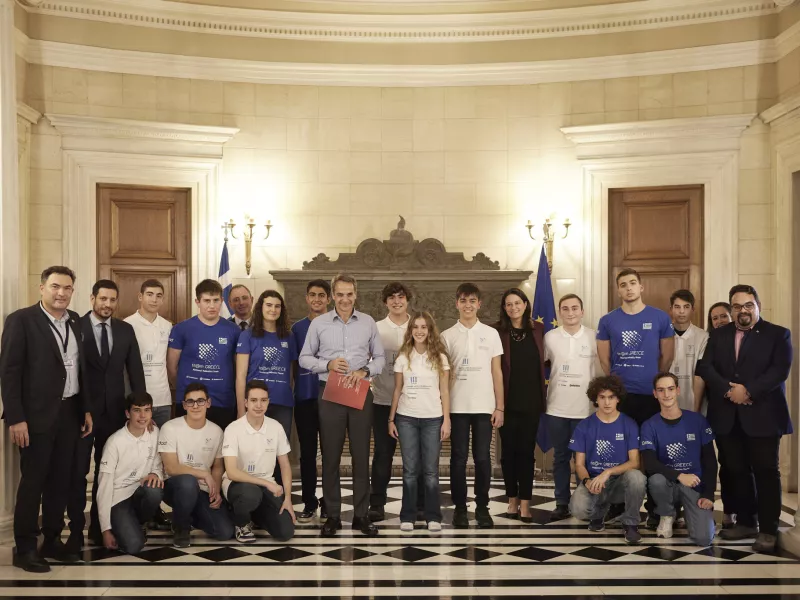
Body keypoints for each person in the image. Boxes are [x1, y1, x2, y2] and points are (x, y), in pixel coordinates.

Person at [0, 266, 93, 572]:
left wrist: (85, 409)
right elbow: (9, 373)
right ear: (42, 288)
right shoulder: (21, 320)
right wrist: (16, 418)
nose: (61, 293)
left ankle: (51, 540)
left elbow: (79, 369)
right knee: (33, 482)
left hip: (70, 412)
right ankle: (26, 548)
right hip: (34, 417)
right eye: (55, 286)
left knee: (60, 481)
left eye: (67, 288)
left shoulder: (76, 320)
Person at [696, 284, 793, 553]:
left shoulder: (778, 334)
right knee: (736, 470)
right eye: (737, 306)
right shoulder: (719, 334)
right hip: (727, 416)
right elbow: (705, 367)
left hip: (764, 416)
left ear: (757, 305)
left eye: (748, 305)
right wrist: (729, 390)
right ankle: (747, 522)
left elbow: (779, 371)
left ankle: (769, 529)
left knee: (766, 472)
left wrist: (747, 391)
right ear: (732, 308)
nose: (743, 310)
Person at [299, 272, 385, 537]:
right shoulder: (319, 324)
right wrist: (327, 364)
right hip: (331, 392)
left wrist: (365, 371)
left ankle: (360, 515)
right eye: (340, 294)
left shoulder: (368, 322)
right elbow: (304, 358)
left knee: (361, 455)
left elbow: (380, 358)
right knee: (331, 456)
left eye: (349, 294)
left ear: (355, 294)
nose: (345, 299)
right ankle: (333, 515)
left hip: (360, 391)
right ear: (333, 296)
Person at [71, 279, 147, 549]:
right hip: (81, 412)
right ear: (92, 298)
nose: (108, 304)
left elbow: (135, 371)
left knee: (109, 472)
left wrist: (141, 410)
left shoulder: (125, 330)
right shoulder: (75, 326)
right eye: (103, 299)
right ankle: (76, 530)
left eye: (112, 300)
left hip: (115, 413)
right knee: (78, 472)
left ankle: (99, 526)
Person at [597, 268, 673, 528]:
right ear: (618, 290)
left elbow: (667, 357)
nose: (628, 288)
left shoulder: (659, 317)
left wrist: (655, 384)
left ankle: (654, 509)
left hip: (651, 397)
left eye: (632, 283)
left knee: (651, 453)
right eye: (623, 284)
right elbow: (605, 360)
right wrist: (617, 387)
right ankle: (618, 505)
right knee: (620, 452)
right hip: (622, 398)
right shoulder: (608, 320)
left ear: (641, 287)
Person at [441, 283, 504, 529]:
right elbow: (443, 377)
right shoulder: (447, 336)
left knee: (482, 458)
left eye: (472, 301)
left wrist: (499, 407)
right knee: (458, 459)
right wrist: (444, 412)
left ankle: (482, 507)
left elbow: (497, 372)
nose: (468, 305)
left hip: (484, 406)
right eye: (463, 300)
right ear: (456, 303)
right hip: (457, 406)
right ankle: (459, 508)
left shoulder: (491, 334)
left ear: (479, 304)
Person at [388, 311, 451, 533]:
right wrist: (391, 419)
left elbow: (445, 391)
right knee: (410, 470)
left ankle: (433, 516)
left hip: (433, 419)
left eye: (424, 327)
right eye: (415, 327)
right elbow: (397, 389)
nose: (420, 331)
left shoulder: (440, 358)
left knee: (431, 471)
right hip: (406, 418)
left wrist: (446, 420)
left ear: (430, 330)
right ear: (410, 330)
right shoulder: (403, 357)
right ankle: (408, 516)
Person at [640, 372, 716, 547]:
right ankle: (667, 515)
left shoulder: (697, 421)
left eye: (670, 389)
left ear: (678, 391)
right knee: (656, 479)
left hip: (694, 485)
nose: (666, 394)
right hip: (667, 485)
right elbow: (650, 464)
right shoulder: (649, 425)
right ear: (655, 394)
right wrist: (680, 475)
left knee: (704, 538)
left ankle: (690, 514)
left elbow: (710, 461)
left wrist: (709, 495)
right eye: (661, 390)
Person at [568, 375, 645, 544]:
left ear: (618, 399)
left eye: (611, 397)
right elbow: (579, 464)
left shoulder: (629, 424)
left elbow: (635, 462)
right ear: (595, 399)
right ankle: (599, 513)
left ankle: (631, 523)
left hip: (620, 482)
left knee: (637, 478)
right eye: (602, 397)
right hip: (596, 481)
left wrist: (608, 472)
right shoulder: (584, 426)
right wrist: (587, 481)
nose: (607, 402)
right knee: (578, 510)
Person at [370, 282, 422, 523]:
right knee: (383, 455)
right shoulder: (375, 328)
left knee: (416, 457)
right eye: (391, 297)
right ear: (385, 302)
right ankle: (377, 504)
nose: (397, 301)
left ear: (407, 300)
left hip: (414, 402)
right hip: (382, 402)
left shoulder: (418, 326)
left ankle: (418, 505)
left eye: (401, 297)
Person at [159, 382, 234, 548]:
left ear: (208, 403)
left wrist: (215, 490)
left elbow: (218, 466)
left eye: (200, 401)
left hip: (202, 490)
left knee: (224, 532)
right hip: (175, 487)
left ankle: (187, 514)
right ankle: (181, 528)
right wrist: (204, 474)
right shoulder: (170, 428)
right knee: (188, 481)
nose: (195, 406)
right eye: (190, 402)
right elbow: (171, 468)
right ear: (184, 405)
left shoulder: (217, 431)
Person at [544, 293, 597, 521]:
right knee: (560, 457)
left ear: (582, 311)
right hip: (557, 407)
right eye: (565, 309)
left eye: (575, 308)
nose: (570, 312)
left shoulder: (594, 336)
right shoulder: (550, 337)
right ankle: (561, 503)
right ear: (559, 312)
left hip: (586, 409)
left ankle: (584, 503)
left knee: (584, 459)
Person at [222, 380, 296, 543]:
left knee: (285, 532)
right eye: (254, 400)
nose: (259, 405)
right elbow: (232, 472)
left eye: (263, 400)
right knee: (251, 494)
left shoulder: (276, 427)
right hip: (238, 485)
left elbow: (285, 466)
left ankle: (254, 515)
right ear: (246, 403)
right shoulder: (233, 429)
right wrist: (267, 483)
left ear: (268, 402)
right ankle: (240, 522)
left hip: (265, 487)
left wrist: (288, 499)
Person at [494, 288, 545, 523]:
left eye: (517, 303)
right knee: (508, 455)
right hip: (506, 402)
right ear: (504, 308)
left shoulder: (539, 330)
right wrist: (498, 405)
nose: (513, 307)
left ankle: (525, 503)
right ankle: (512, 500)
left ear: (525, 304)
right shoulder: (497, 331)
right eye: (508, 304)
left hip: (531, 402)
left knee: (526, 453)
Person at [96, 392, 164, 556]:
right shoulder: (114, 442)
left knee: (154, 490)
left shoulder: (155, 433)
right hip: (118, 499)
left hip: (139, 490)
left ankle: (138, 522)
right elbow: (104, 487)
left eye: (147, 410)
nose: (142, 416)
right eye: (137, 410)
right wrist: (105, 530)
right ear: (127, 413)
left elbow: (158, 463)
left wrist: (155, 474)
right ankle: (125, 525)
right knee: (133, 546)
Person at [168, 279, 241, 431]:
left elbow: (239, 368)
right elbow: (171, 367)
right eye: (207, 301)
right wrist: (184, 388)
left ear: (222, 301)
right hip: (189, 402)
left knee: (220, 444)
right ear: (197, 302)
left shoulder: (234, 330)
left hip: (222, 401)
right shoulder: (181, 329)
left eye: (216, 300)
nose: (212, 306)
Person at [291, 279, 331, 522]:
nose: (317, 299)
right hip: (304, 398)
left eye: (321, 295)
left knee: (330, 454)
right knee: (307, 453)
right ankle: (309, 502)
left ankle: (329, 502)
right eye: (313, 295)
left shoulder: (337, 325)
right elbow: (292, 365)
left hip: (331, 398)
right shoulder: (296, 329)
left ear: (329, 299)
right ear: (307, 298)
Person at [235, 290, 297, 441]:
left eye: (277, 306)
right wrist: (241, 409)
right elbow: (240, 376)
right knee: (254, 448)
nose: (273, 310)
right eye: (269, 305)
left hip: (282, 403)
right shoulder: (247, 335)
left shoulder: (289, 337)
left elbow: (290, 373)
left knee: (279, 448)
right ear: (260, 307)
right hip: (255, 403)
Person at [124, 279, 173, 428]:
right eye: (150, 294)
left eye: (159, 296)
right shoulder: (127, 324)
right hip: (137, 400)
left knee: (163, 441)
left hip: (163, 399)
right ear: (140, 297)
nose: (154, 299)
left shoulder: (168, 326)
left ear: (163, 299)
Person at [705, 301, 735, 529]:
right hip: (720, 411)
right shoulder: (709, 342)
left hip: (746, 410)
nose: (719, 321)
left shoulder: (743, 340)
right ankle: (728, 509)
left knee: (743, 465)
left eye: (723, 316)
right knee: (725, 462)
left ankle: (745, 512)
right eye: (714, 318)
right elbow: (706, 371)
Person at [668, 289, 708, 413]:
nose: (681, 311)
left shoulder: (703, 336)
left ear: (693, 309)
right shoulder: (662, 335)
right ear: (671, 309)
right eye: (677, 307)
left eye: (686, 307)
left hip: (692, 399)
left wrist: (696, 408)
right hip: (666, 399)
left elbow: (700, 375)